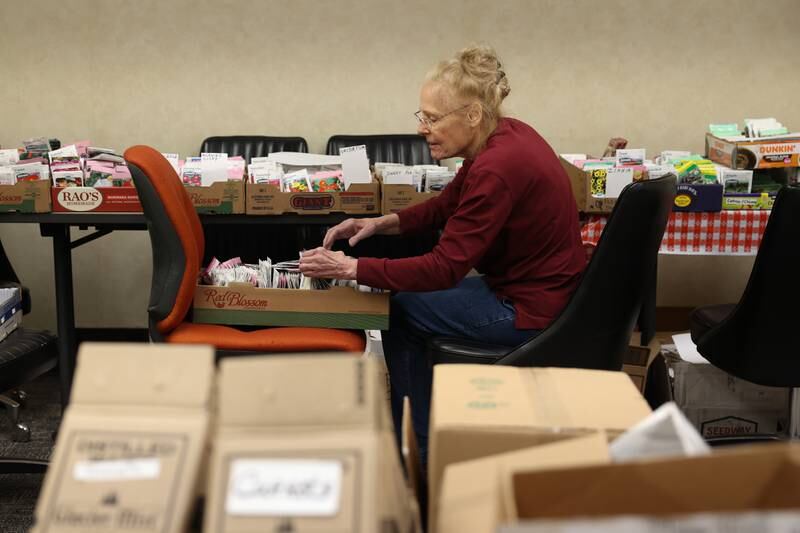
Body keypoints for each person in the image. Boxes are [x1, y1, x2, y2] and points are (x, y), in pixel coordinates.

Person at [299, 45, 586, 469]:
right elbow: (446, 205)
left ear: (471, 115)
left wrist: (350, 267)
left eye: (432, 118)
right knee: (407, 304)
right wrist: (380, 223)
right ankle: (426, 433)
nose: (422, 129)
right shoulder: (505, 136)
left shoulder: (497, 166)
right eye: (422, 117)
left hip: (531, 309)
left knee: (401, 314)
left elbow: (444, 268)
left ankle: (415, 453)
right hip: (544, 291)